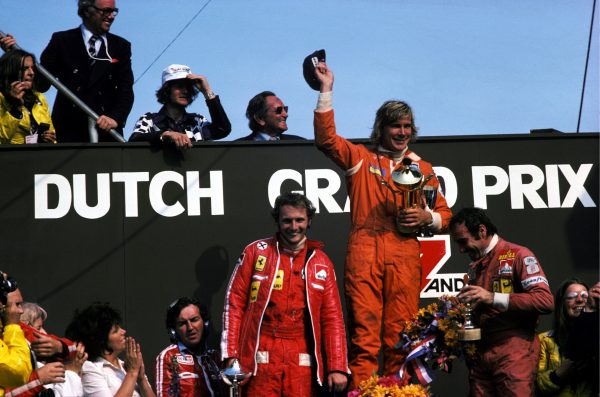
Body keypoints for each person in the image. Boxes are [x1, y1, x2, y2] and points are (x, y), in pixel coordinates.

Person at [312, 62, 452, 387]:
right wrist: (326, 90)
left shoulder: (423, 169)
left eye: (407, 126)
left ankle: (400, 393)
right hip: (365, 252)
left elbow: (446, 217)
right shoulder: (361, 159)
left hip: (404, 256)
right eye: (395, 126)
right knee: (364, 341)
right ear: (381, 128)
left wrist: (425, 217)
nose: (402, 132)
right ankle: (362, 394)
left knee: (400, 339)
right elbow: (326, 139)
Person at [221, 192, 349, 396]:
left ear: (309, 221)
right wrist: (231, 355)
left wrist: (337, 366)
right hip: (260, 353)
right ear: (277, 222)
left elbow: (332, 318)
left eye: (300, 220)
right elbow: (234, 304)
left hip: (301, 356)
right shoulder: (256, 252)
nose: (294, 226)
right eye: (287, 221)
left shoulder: (321, 262)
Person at [450, 207, 554, 397]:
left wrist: (491, 297)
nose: (461, 249)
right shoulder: (476, 266)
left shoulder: (519, 255)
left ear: (482, 231)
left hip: (514, 351)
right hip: (480, 355)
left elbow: (544, 301)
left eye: (463, 241)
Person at [39, 0, 134, 142]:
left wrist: (115, 118)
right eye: (106, 11)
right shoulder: (62, 41)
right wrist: (17, 58)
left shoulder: (120, 46)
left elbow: (126, 89)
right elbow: (41, 83)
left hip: (106, 132)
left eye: (114, 11)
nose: (111, 16)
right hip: (68, 132)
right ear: (87, 10)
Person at [65, 303, 156, 397]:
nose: (123, 332)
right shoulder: (90, 369)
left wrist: (141, 380)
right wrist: (132, 373)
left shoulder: (127, 365)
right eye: (115, 331)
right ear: (101, 340)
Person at [129, 64, 231, 148]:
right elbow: (135, 138)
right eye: (179, 87)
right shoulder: (149, 119)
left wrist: (207, 91)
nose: (185, 91)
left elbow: (222, 130)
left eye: (188, 87)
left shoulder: (197, 121)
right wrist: (165, 134)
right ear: (167, 90)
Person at [536, 278, 599, 397]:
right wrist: (558, 374)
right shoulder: (544, 340)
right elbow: (536, 386)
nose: (580, 300)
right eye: (571, 296)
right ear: (562, 304)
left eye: (585, 296)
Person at [155, 297, 224, 397]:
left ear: (205, 323)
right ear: (173, 330)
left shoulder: (216, 357)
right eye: (182, 323)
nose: (190, 328)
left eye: (194, 320)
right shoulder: (169, 356)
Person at [0, 49, 56, 144]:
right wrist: (15, 109)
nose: (31, 73)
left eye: (32, 68)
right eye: (25, 68)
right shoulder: (1, 98)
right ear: (10, 70)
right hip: (11, 157)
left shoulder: (39, 97)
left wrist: (49, 138)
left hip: (39, 156)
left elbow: (53, 136)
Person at [0, 273, 31, 396]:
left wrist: (60, 347)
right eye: (17, 304)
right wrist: (12, 326)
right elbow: (18, 373)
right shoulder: (11, 326)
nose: (21, 311)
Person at [236, 91, 305, 141]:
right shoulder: (237, 149)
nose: (286, 115)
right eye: (279, 110)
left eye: (285, 109)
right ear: (260, 118)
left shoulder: (300, 144)